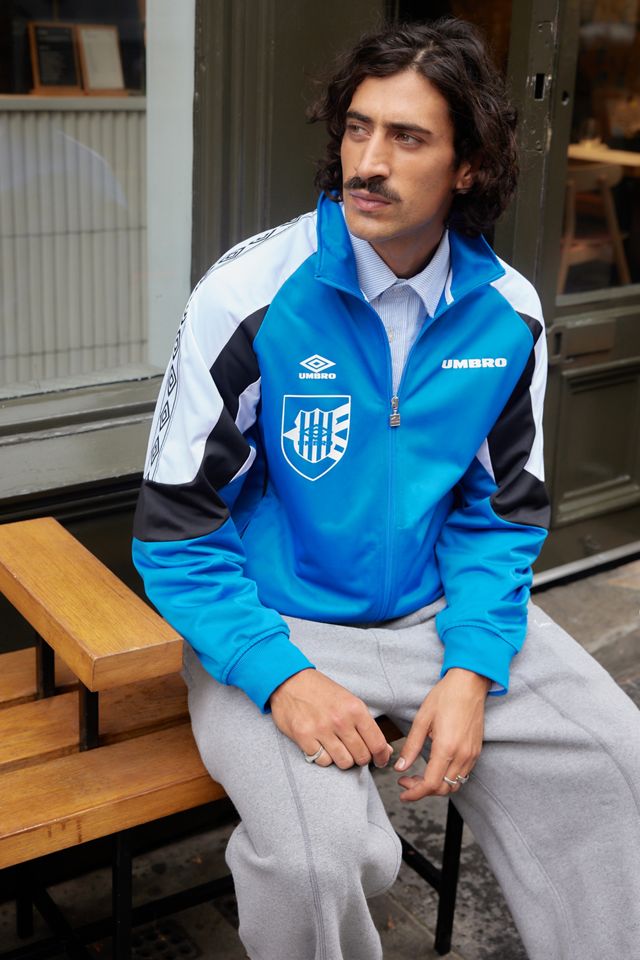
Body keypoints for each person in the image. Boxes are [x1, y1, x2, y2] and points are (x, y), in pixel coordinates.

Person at [132, 18, 640, 960]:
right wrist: (281, 677)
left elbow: (500, 514)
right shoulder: (247, 295)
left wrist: (471, 668)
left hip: (435, 613)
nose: (367, 163)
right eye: (358, 130)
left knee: (618, 763)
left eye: (407, 138)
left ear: (468, 167)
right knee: (318, 863)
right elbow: (175, 533)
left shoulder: (508, 313)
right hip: (277, 620)